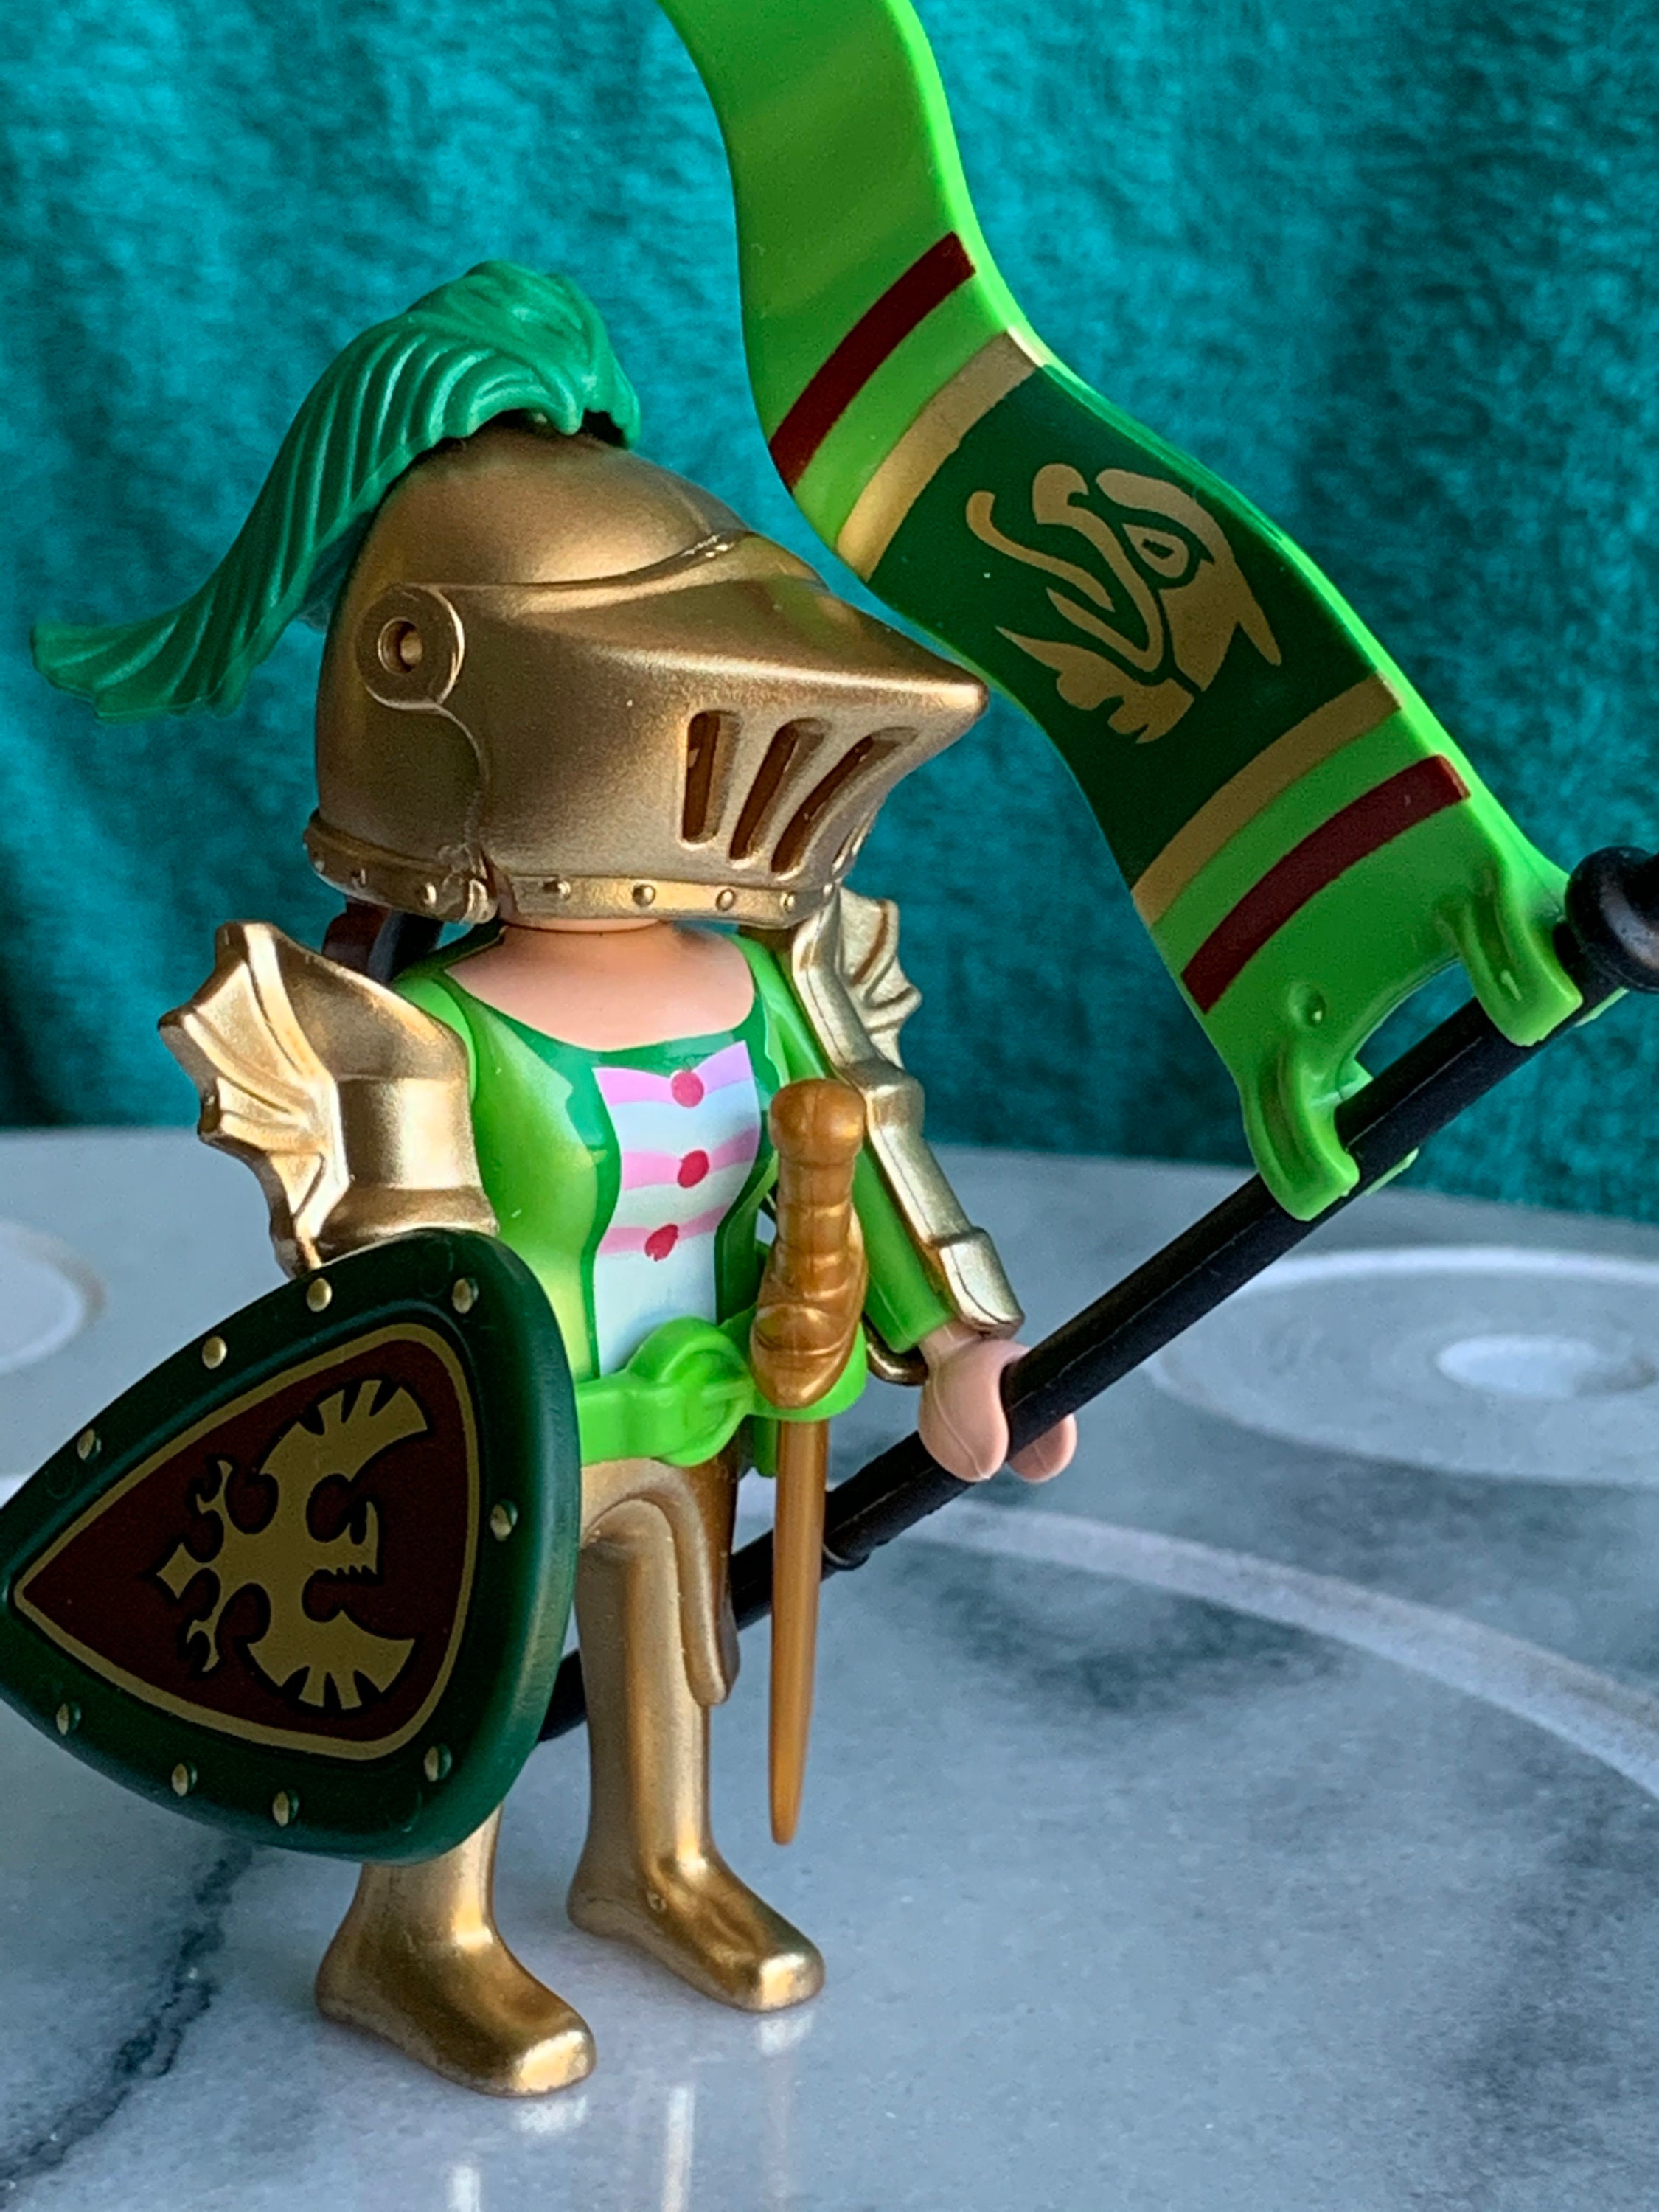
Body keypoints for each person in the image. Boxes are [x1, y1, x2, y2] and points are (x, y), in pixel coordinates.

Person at [34, 262, 1075, 2096]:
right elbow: (405, 1307)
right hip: (507, 1437)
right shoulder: (424, 1032)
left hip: (703, 1403)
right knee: (473, 1677)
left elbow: (872, 1149)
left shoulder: (769, 981)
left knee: (671, 1643)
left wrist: (964, 1342)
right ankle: (415, 1935)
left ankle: (654, 1864)